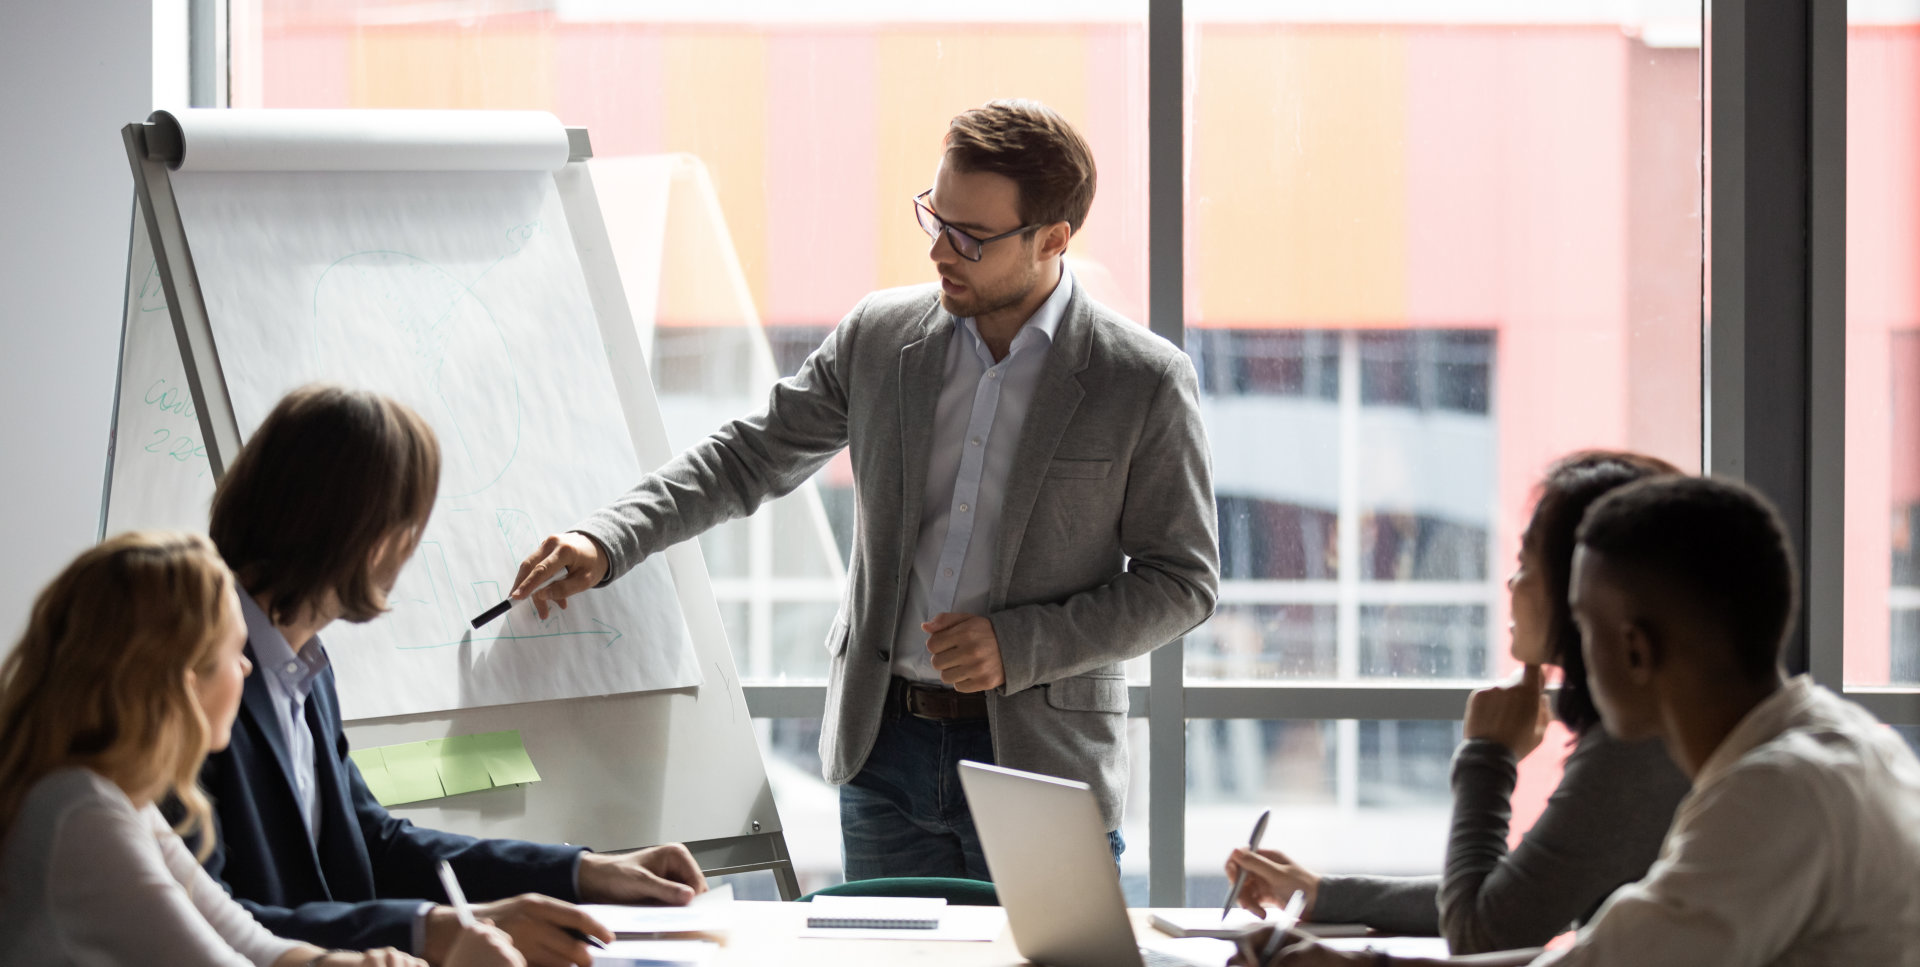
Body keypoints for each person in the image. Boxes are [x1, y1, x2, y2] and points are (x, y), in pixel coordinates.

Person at [509, 98, 1219, 879]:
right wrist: (611, 537)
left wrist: (1018, 646)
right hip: (883, 752)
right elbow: (748, 456)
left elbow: (1182, 582)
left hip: (1040, 763)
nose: (941, 252)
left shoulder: (1141, 380)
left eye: (971, 238)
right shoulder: (882, 338)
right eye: (935, 219)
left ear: (1053, 239)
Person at [1254, 476, 1920, 966]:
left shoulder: (1774, 794)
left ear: (1634, 649)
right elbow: (1601, 952)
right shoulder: (1838, 743)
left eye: (1583, 622)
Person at [194, 385, 708, 967]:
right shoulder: (190, 678)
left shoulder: (302, 664)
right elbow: (207, 922)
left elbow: (371, 844)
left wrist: (583, 872)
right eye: (410, 526)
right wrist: (433, 930)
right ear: (366, 534)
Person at [1223, 452, 1692, 953]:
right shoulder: (1646, 726)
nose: (1512, 583)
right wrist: (1321, 894)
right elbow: (1510, 900)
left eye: (1526, 562)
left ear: (1588, 585)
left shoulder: (1634, 747)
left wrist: (1488, 756)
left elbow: (1481, 932)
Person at [0, 530, 522, 967]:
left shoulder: (110, 796)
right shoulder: (82, 812)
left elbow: (252, 944)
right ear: (183, 683)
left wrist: (369, 962)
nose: (247, 668)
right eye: (233, 652)